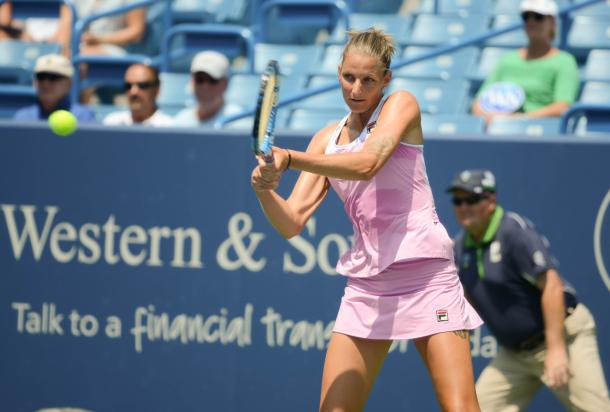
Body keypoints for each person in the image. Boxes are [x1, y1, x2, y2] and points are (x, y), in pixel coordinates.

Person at [250, 28, 483, 411]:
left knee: (460, 407)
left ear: (386, 79)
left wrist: (290, 159)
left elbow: (367, 163)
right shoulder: (325, 139)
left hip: (427, 277)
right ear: (338, 70)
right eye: (349, 77)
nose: (356, 89)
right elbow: (290, 222)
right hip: (368, 287)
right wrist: (264, 189)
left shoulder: (401, 105)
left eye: (369, 80)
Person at [447, 169, 610, 411]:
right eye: (458, 201)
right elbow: (465, 304)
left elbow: (552, 286)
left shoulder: (513, 231)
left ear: (491, 201)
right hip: (514, 354)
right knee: (475, 408)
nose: (463, 207)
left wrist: (556, 349)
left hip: (564, 337)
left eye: (471, 199)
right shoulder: (459, 248)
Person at [472, 0, 579, 126]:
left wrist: (521, 120)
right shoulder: (507, 59)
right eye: (526, 16)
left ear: (552, 22)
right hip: (499, 129)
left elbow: (562, 106)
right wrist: (487, 117)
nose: (531, 22)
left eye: (538, 17)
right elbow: (480, 100)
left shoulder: (565, 61)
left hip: (540, 131)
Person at [13, 53, 95, 122]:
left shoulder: (83, 117)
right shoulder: (23, 117)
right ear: (34, 82)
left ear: (68, 84)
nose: (46, 83)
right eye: (41, 77)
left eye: (54, 77)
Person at [173, 50, 242, 127]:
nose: (205, 87)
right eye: (199, 79)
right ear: (192, 82)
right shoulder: (181, 121)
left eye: (213, 80)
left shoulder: (238, 121)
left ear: (225, 84)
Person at [103, 63, 173, 126]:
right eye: (128, 86)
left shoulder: (168, 127)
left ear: (157, 90)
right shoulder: (111, 123)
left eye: (142, 85)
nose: (133, 92)